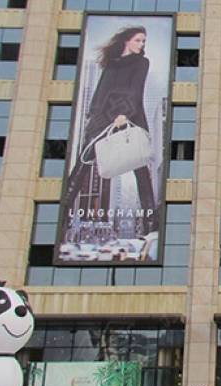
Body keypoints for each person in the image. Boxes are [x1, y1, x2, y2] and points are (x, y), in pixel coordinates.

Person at [63, 26, 157, 238]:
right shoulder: (111, 63)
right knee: (83, 162)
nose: (142, 44)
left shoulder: (142, 62)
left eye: (144, 41)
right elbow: (100, 91)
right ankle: (62, 212)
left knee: (140, 168)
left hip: (128, 116)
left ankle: (151, 224)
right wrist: (93, 116)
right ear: (126, 40)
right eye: (138, 40)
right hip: (103, 118)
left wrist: (125, 113)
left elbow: (136, 90)